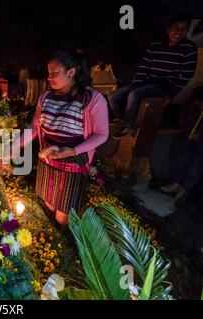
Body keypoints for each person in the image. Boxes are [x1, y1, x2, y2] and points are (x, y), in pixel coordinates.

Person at [17, 50, 109, 225]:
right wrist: (15, 144)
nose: (49, 77)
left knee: (63, 216)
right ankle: (51, 240)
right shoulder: (46, 97)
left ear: (71, 72)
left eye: (54, 73)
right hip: (48, 161)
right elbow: (35, 127)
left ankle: (63, 241)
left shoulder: (93, 99)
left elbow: (102, 134)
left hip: (72, 165)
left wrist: (73, 150)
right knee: (49, 206)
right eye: (48, 72)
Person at [109, 15, 198, 140]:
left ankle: (128, 126)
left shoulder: (189, 48)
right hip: (146, 82)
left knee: (134, 94)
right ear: (168, 29)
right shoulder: (155, 45)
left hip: (163, 85)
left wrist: (170, 94)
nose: (179, 31)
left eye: (184, 28)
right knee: (114, 96)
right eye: (176, 27)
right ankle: (121, 120)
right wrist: (137, 82)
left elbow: (186, 75)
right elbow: (144, 66)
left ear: (188, 30)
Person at [160, 86, 203, 200]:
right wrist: (187, 128)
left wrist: (199, 135)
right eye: (198, 102)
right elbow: (184, 115)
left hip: (201, 141)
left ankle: (186, 188)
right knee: (180, 158)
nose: (199, 104)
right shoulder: (193, 100)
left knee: (195, 164)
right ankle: (176, 183)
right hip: (187, 134)